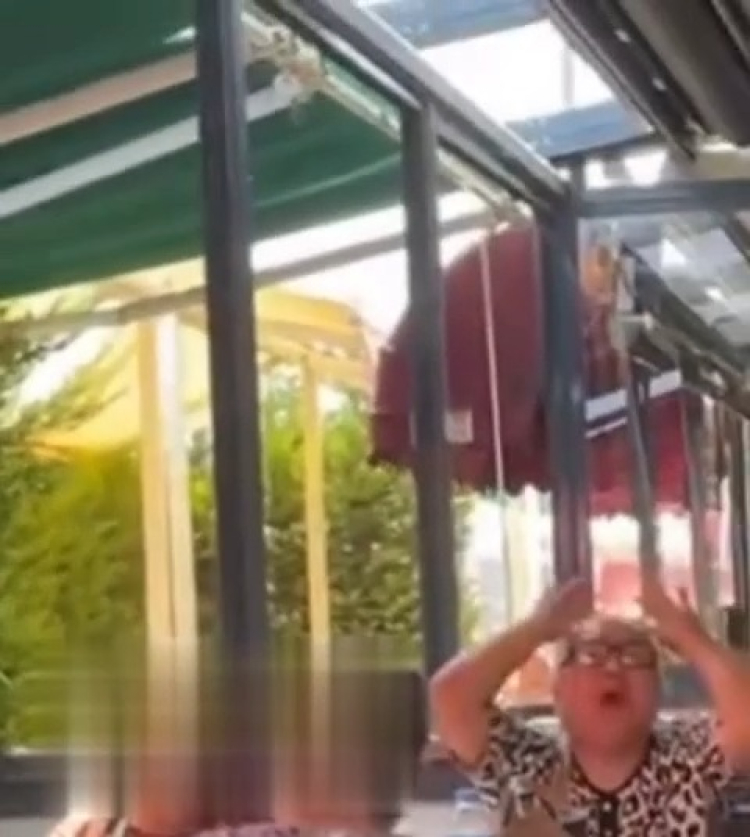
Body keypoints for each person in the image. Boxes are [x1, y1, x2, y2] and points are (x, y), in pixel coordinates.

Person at [430, 573, 750, 836]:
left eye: (634, 655)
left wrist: (692, 639)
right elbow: (451, 697)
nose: (613, 668)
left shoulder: (688, 757)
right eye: (592, 654)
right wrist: (537, 628)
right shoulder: (526, 764)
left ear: (658, 687)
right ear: (558, 689)